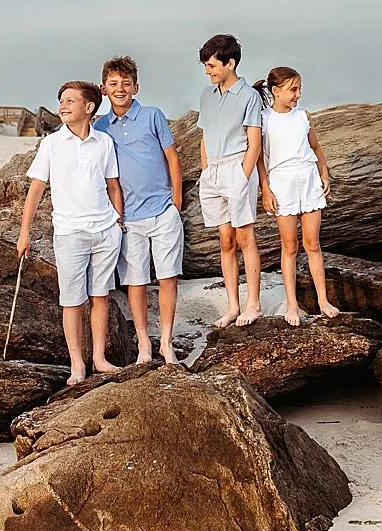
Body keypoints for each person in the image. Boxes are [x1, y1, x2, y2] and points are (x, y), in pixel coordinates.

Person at [17, 79, 125, 385]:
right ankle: (77, 364)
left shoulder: (104, 143)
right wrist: (24, 233)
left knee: (100, 296)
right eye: (61, 100)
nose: (63, 106)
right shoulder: (51, 144)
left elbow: (113, 185)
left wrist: (117, 220)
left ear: (89, 108)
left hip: (105, 230)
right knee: (72, 300)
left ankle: (99, 359)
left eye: (70, 101)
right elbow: (35, 191)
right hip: (69, 233)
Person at [94, 55, 185, 365]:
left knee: (169, 276)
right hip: (129, 218)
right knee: (136, 280)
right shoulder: (101, 127)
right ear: (104, 88)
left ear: (136, 86)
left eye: (126, 83)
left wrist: (177, 202)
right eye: (114, 84)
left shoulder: (152, 116)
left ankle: (167, 342)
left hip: (163, 211)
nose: (120, 89)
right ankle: (145, 343)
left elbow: (172, 157)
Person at [257, 66, 338, 327]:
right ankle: (292, 304)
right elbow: (259, 158)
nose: (297, 95)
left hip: (308, 180)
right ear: (276, 91)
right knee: (289, 246)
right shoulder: (263, 119)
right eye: (293, 89)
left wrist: (324, 173)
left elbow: (315, 146)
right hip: (282, 184)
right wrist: (265, 189)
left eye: (299, 89)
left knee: (312, 244)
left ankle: (323, 300)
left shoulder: (303, 116)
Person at [197, 32, 265, 325]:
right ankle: (233, 306)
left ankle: (254, 304)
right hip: (212, 172)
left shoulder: (249, 96)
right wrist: (204, 169)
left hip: (237, 168)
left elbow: (255, 141)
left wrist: (243, 176)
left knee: (244, 237)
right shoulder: (206, 95)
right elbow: (204, 135)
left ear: (230, 63)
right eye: (206, 66)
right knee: (225, 240)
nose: (208, 71)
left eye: (212, 65)